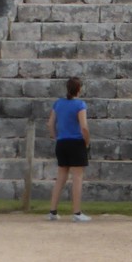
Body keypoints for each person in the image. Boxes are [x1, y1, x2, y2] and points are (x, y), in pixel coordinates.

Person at [47, 75, 91, 221]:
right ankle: (77, 212)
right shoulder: (80, 105)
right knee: (77, 177)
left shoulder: (58, 103)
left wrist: (55, 136)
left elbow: (50, 124)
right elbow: (84, 127)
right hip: (76, 142)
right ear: (79, 89)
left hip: (62, 141)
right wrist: (87, 141)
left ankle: (52, 211)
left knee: (61, 177)